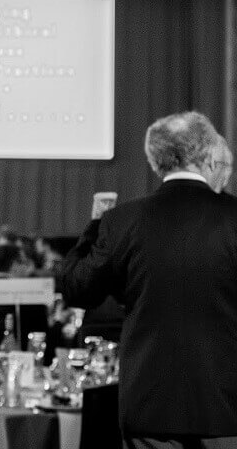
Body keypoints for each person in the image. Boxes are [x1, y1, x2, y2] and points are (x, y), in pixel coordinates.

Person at [61, 111, 237, 449]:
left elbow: (76, 287)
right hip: (228, 408)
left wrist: (95, 225)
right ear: (207, 154)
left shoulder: (122, 222)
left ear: (154, 160)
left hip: (151, 406)